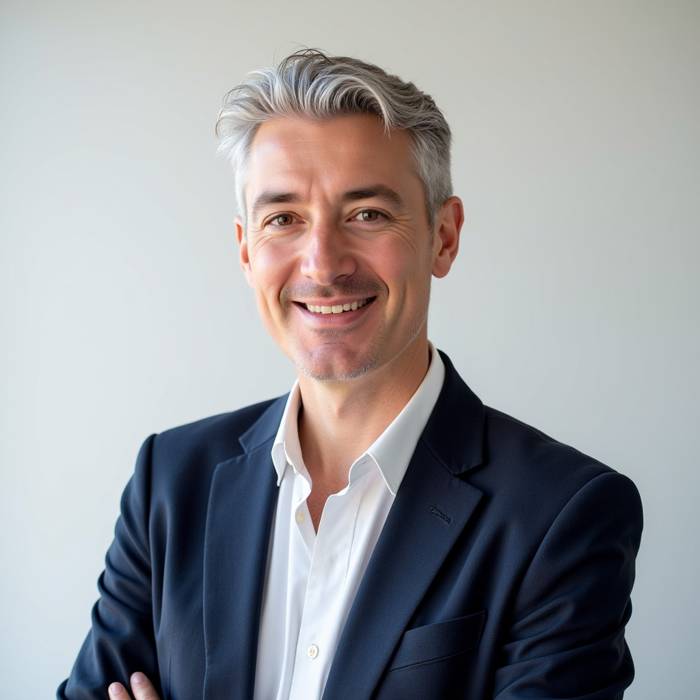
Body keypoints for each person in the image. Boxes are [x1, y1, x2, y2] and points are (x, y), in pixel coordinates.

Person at [57, 49, 643, 700]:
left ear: (443, 236)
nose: (323, 263)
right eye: (283, 219)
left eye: (367, 214)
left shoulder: (561, 515)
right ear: (246, 250)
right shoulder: (169, 482)